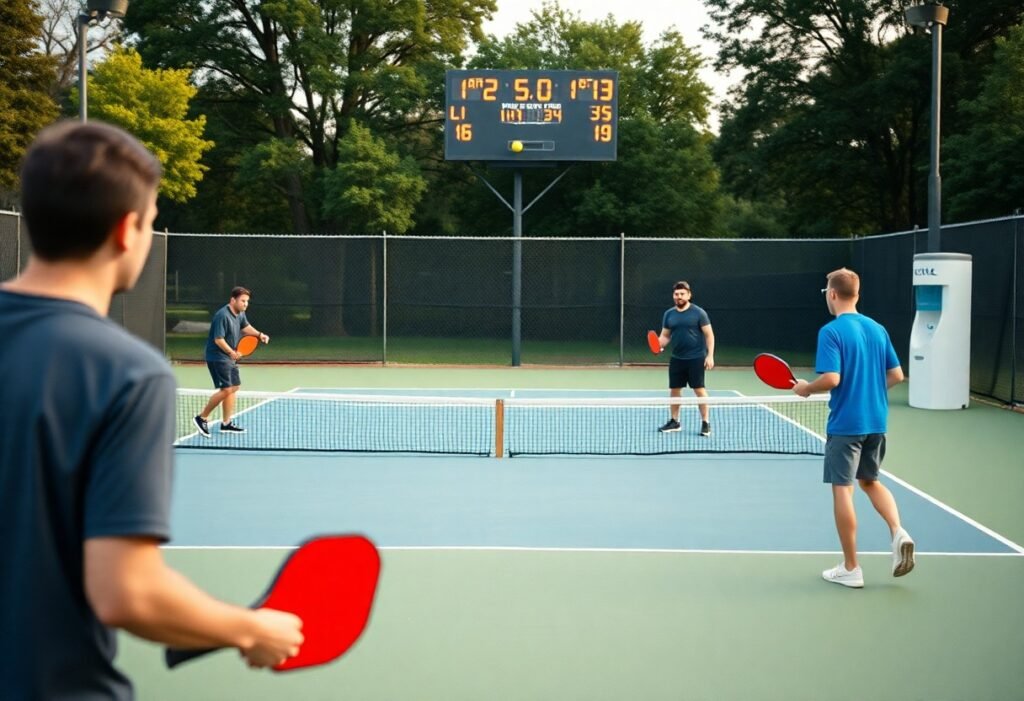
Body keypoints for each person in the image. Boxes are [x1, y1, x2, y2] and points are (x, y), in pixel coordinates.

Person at [0, 122, 303, 699]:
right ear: (125, 231)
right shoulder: (124, 375)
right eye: (152, 219)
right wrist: (249, 628)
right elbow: (125, 593)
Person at [793, 268, 915, 588]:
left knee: (843, 490)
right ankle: (898, 532)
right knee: (870, 482)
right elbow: (897, 375)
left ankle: (851, 567)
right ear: (857, 294)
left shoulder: (831, 331)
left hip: (846, 424)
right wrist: (869, 391)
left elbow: (832, 379)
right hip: (876, 421)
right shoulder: (877, 329)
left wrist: (806, 388)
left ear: (832, 294)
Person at [192, 286, 269, 437]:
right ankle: (201, 418)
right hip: (217, 357)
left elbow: (246, 327)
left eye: (247, 301)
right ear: (233, 300)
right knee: (227, 389)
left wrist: (260, 334)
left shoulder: (240, 314)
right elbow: (218, 339)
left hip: (228, 357)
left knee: (234, 387)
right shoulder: (222, 315)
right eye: (243, 301)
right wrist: (231, 352)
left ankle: (226, 423)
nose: (245, 304)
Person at [655, 280, 715, 436]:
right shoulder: (669, 314)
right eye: (676, 294)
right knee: (675, 391)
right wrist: (659, 345)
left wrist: (710, 355)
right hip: (677, 359)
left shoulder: (699, 313)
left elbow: (709, 335)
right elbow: (665, 336)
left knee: (699, 390)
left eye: (682, 294)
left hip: (696, 358)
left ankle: (705, 423)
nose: (679, 296)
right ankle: (675, 422)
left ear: (689, 295)